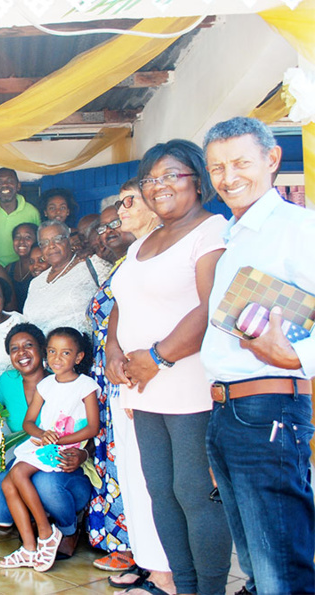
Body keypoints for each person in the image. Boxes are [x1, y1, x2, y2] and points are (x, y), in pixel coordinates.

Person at [107, 139, 232, 595]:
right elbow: (123, 299)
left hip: (188, 383)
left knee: (195, 495)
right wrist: (112, 350)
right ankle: (182, 584)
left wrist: (158, 356)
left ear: (197, 180)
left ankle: (208, 589)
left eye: (171, 175)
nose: (158, 186)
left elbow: (211, 306)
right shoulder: (145, 241)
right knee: (161, 491)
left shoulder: (211, 231)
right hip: (143, 388)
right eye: (150, 179)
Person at [201, 117, 315, 595]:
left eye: (241, 162)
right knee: (254, 562)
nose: (228, 178)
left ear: (272, 160)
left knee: (279, 569)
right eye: (217, 167)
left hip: (271, 408)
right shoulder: (235, 236)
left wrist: (297, 358)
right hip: (230, 411)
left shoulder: (296, 227)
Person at [100, 177, 171, 591]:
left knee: (152, 478)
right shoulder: (133, 254)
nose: (121, 210)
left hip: (152, 379)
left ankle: (165, 570)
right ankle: (147, 561)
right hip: (121, 376)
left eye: (129, 201)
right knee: (131, 475)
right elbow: (119, 311)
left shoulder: (166, 246)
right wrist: (112, 351)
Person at [0, 323, 93, 557]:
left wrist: (84, 454)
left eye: (28, 346)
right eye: (14, 349)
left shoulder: (66, 379)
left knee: (46, 485)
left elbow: (91, 428)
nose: (22, 353)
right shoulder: (5, 383)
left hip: (66, 461)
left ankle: (68, 530)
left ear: (42, 349)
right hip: (30, 456)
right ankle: (35, 530)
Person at [85, 200, 152, 573]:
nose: (108, 231)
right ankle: (126, 544)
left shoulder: (141, 265)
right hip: (106, 377)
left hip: (126, 375)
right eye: (103, 227)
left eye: (116, 223)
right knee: (114, 461)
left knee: (131, 462)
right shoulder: (120, 268)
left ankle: (138, 548)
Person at [24, 220, 109, 336]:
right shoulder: (35, 283)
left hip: (85, 349)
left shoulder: (91, 265)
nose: (51, 246)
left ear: (69, 240)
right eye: (44, 243)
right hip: (47, 352)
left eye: (58, 239)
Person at [0, 168, 41, 267]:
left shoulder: (32, 212)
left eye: (10, 181)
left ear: (18, 186)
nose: (5, 185)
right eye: (0, 182)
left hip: (22, 268)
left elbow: (39, 242)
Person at [6, 223, 38, 312]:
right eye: (17, 237)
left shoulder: (42, 267)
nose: (21, 241)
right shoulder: (9, 268)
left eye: (28, 237)